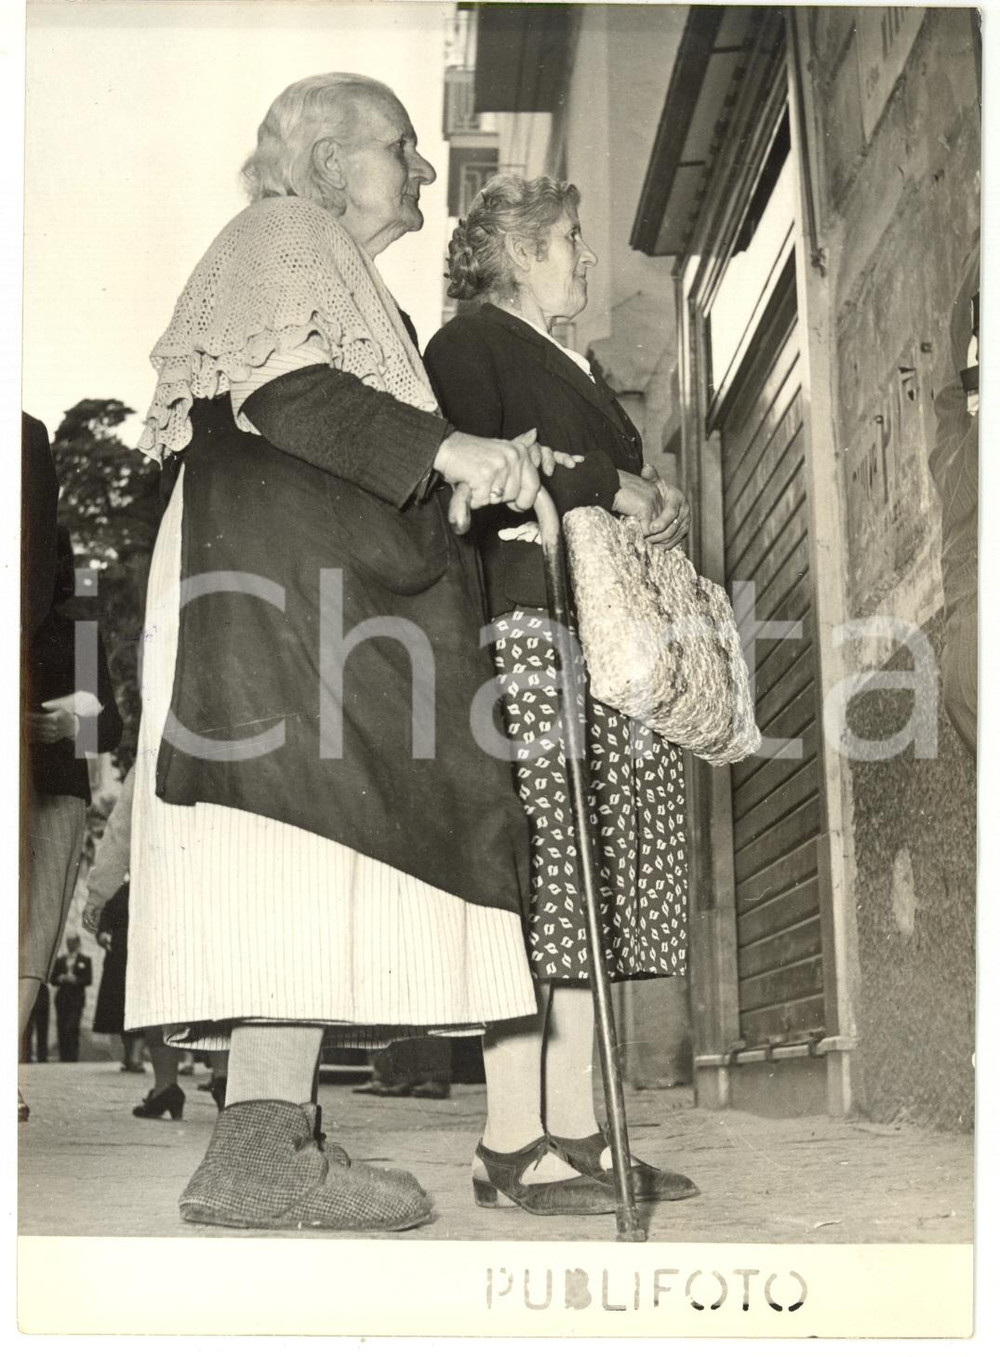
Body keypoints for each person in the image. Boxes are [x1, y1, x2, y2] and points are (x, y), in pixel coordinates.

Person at [127, 74, 576, 1232]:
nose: (422, 169)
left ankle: (271, 1140)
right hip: (266, 597)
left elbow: (360, 445)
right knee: (289, 850)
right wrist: (453, 449)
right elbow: (287, 396)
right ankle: (260, 1150)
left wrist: (464, 476)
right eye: (402, 146)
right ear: (328, 163)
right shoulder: (284, 231)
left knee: (311, 862)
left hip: (304, 594)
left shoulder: (347, 278)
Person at [424, 174, 699, 1215]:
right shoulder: (469, 346)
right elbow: (471, 488)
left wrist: (652, 498)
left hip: (599, 631)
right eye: (569, 239)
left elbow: (594, 479)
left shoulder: (569, 359)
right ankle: (508, 1139)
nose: (586, 256)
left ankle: (577, 1129)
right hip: (526, 631)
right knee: (539, 884)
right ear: (516, 252)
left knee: (589, 883)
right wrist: (607, 482)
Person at [20, 503, 123, 1120]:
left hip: (56, 790)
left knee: (37, 927)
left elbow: (108, 728)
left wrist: (65, 728)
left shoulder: (76, 634)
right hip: (42, 788)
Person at [51, 933, 93, 1061]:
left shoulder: (85, 960)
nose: (70, 945)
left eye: (73, 942)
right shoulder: (60, 960)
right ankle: (64, 1056)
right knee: (62, 1026)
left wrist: (76, 980)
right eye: (68, 942)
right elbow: (53, 979)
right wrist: (61, 978)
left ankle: (73, 1056)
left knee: (73, 1026)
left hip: (76, 998)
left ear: (78, 943)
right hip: (62, 998)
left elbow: (88, 979)